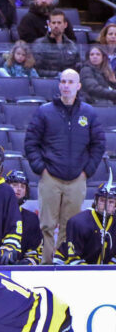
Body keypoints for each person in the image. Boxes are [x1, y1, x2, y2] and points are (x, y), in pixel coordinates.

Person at [24, 69, 105, 263]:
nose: (66, 85)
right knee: (47, 225)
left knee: (71, 226)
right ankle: (46, 265)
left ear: (78, 86)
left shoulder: (89, 113)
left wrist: (87, 171)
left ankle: (63, 264)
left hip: (78, 178)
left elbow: (99, 144)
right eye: (63, 81)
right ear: (59, 85)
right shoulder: (45, 111)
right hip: (50, 177)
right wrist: (41, 168)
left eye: (70, 82)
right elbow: (30, 143)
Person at [58, 182, 116, 265]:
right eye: (102, 201)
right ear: (96, 201)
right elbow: (73, 258)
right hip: (68, 267)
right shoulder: (79, 222)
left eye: (111, 202)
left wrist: (109, 270)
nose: (106, 206)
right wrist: (92, 274)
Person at [5, 170, 42, 264]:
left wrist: (28, 261)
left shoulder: (32, 219)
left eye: (22, 186)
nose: (19, 189)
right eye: (15, 185)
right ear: (5, 187)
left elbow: (35, 249)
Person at [31, 10, 80, 79]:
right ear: (49, 24)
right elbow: (36, 70)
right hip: (48, 83)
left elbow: (78, 67)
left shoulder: (72, 45)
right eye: (53, 23)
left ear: (65, 25)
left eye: (59, 23)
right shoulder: (39, 44)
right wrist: (57, 74)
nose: (56, 26)